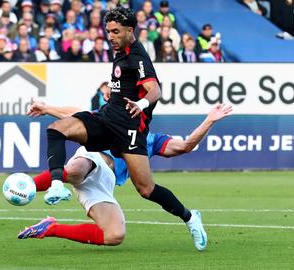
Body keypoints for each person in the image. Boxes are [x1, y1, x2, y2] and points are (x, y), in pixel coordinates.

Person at [42, 7, 208, 251]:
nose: (110, 36)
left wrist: (139, 105)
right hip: (107, 119)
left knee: (146, 189)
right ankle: (57, 184)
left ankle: (190, 218)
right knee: (56, 129)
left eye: (116, 31)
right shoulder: (119, 51)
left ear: (130, 30)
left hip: (129, 130)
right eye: (108, 31)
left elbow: (155, 91)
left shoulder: (138, 57)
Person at [19, 98, 232, 248]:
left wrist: (209, 120)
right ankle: (25, 187)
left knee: (114, 235)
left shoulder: (150, 140)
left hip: (106, 181)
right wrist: (47, 108)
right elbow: (73, 114)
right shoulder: (108, 118)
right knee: (76, 169)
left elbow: (185, 146)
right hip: (92, 158)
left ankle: (50, 228)